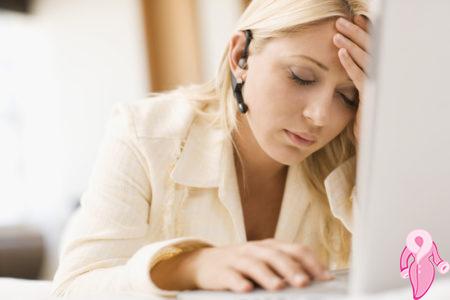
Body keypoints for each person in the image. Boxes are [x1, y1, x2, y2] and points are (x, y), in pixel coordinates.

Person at [51, 0, 371, 297]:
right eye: (301, 77)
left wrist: (379, 147)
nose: (320, 116)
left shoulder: (354, 158)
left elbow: (413, 274)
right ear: (240, 56)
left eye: (347, 97)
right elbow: (72, 290)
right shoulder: (145, 134)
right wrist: (192, 266)